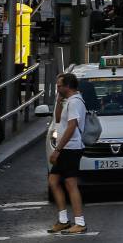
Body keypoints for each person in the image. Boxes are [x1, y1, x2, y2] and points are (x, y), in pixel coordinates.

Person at [47, 73, 87, 234]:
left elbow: (71, 127)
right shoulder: (68, 101)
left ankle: (80, 222)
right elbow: (58, 119)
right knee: (53, 181)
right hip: (66, 148)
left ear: (68, 86)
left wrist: (57, 150)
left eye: (59, 86)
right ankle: (63, 220)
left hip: (71, 148)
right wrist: (58, 101)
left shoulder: (76, 102)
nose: (57, 88)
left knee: (70, 184)